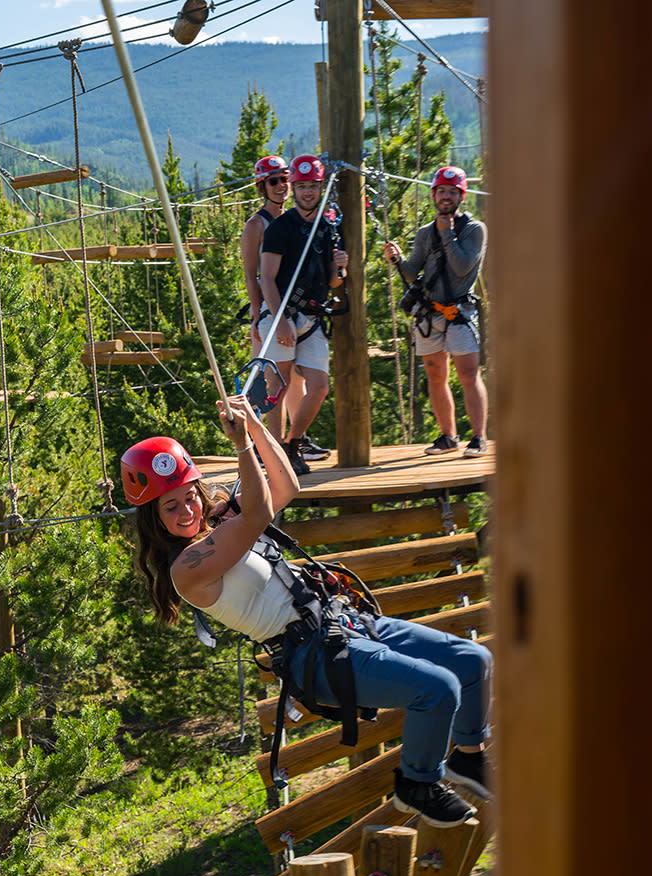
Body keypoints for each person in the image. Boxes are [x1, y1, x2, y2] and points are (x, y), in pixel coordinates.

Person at [120, 396, 494, 826]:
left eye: (190, 497)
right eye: (172, 506)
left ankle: (469, 758)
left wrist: (256, 428)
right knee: (438, 689)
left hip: (342, 622)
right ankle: (417, 784)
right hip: (314, 656)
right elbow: (258, 512)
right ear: (153, 518)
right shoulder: (188, 569)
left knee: (474, 661)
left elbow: (285, 489)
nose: (188, 510)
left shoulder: (222, 521)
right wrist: (242, 447)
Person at [384, 165, 489, 457]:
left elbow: (461, 267)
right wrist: (398, 261)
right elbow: (412, 271)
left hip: (460, 312)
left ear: (461, 196)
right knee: (435, 374)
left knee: (468, 374)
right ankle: (448, 436)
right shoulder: (424, 233)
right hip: (430, 313)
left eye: (452, 192)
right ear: (433, 194)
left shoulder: (474, 230)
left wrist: (446, 234)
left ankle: (479, 438)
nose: (446, 196)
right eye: (441, 191)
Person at [258, 154, 347, 476]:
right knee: (277, 388)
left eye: (313, 186)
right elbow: (266, 276)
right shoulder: (281, 228)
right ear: (294, 188)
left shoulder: (327, 227)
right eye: (302, 186)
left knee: (319, 386)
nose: (307, 192)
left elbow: (334, 281)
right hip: (282, 313)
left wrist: (341, 265)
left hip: (310, 319)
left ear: (320, 187)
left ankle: (293, 444)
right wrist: (278, 320)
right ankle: (273, 453)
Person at [240, 155, 329, 464]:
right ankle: (270, 446)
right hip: (272, 311)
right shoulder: (257, 225)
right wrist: (258, 314)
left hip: (298, 311)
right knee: (272, 381)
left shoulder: (297, 220)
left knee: (295, 381)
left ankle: (294, 440)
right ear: (262, 186)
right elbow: (253, 273)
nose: (281, 186)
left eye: (284, 180)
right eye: (273, 181)